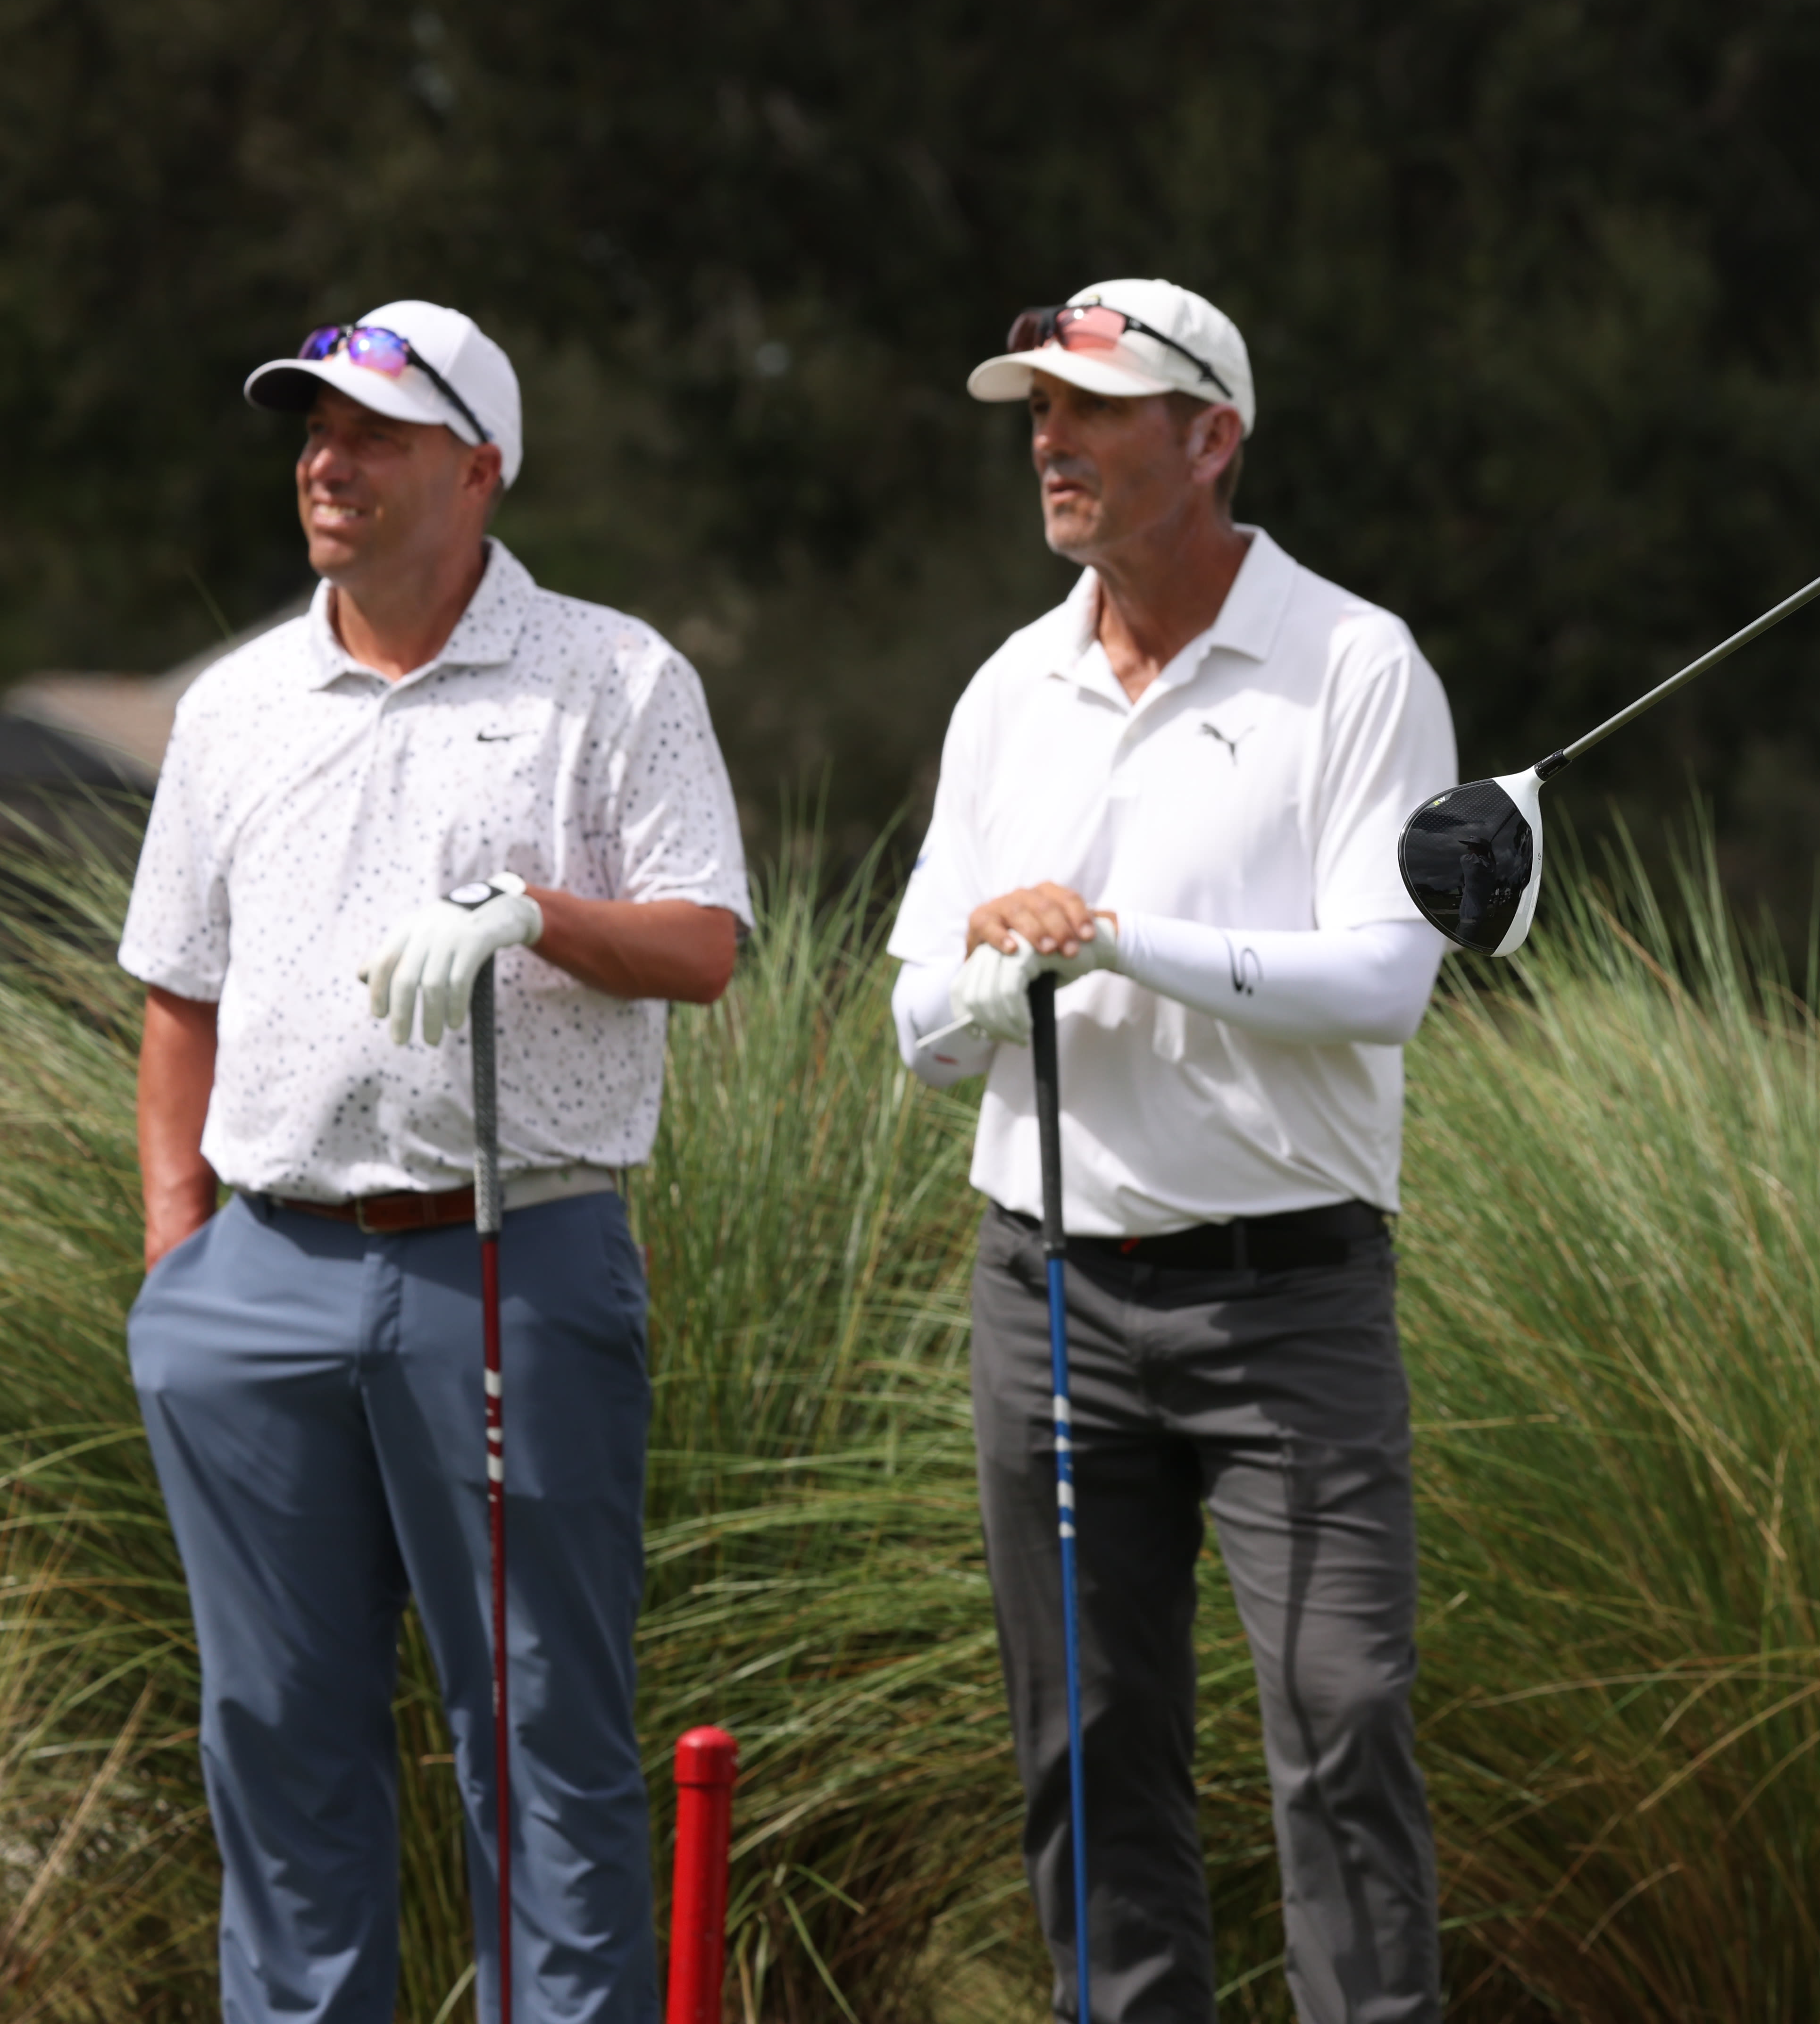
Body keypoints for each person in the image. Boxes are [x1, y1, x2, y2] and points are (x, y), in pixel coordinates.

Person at [124, 298, 753, 2024]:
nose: (327, 463)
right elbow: (179, 993)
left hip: (509, 1264)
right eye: (315, 432)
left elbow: (704, 943)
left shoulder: (614, 677)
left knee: (542, 1737)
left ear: (479, 468)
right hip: (256, 1281)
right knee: (276, 1741)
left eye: (374, 437)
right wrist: (178, 1263)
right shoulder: (235, 705)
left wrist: (538, 914)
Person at [887, 277, 1457, 2024]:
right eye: (1037, 412)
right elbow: (918, 1026)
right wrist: (994, 974)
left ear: (1211, 437)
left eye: (1090, 410)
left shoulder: (1352, 663)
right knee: (1091, 1737)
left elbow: (1386, 982)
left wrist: (1119, 942)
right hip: (1048, 1299)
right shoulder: (1012, 687)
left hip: (1287, 1298)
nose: (1049, 442)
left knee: (1343, 1720)